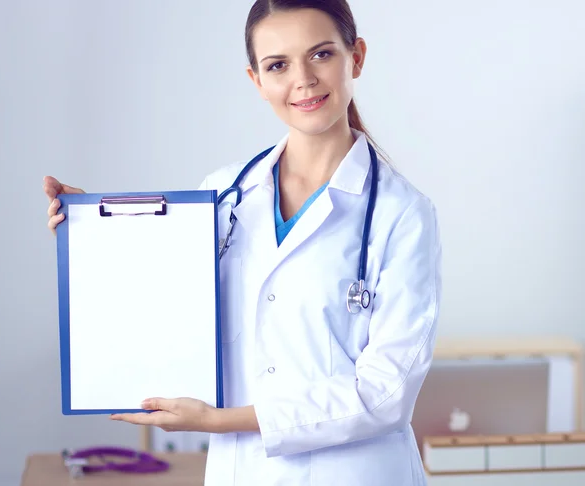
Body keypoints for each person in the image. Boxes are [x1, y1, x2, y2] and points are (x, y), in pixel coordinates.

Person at [44, 1, 442, 484]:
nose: (303, 79)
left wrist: (218, 422)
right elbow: (162, 305)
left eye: (321, 55)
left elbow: (385, 396)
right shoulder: (223, 195)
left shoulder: (402, 214)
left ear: (355, 57)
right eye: (278, 65)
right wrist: (96, 236)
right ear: (257, 80)